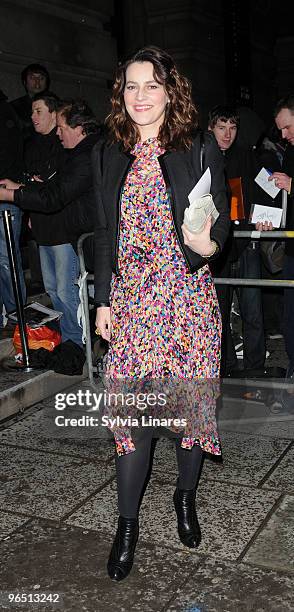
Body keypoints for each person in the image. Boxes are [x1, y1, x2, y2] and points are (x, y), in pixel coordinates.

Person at [93, 46, 230, 581]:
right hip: (132, 304)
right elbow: (106, 233)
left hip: (187, 302)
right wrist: (104, 300)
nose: (140, 96)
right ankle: (126, 526)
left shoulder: (195, 146)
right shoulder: (109, 152)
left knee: (189, 417)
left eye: (152, 85)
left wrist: (208, 244)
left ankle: (185, 498)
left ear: (171, 91)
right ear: (120, 94)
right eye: (131, 86)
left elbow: (221, 225)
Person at [0, 99, 101, 346]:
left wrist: (14, 194)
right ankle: (69, 340)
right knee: (55, 290)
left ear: (78, 127)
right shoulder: (43, 146)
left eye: (62, 127)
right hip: (47, 227)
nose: (58, 131)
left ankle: (76, 344)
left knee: (67, 291)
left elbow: (56, 193)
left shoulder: (83, 153)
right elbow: (49, 187)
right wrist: (23, 187)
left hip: (66, 230)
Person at [208, 105, 266, 374]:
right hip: (216, 247)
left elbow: (267, 190)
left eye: (232, 128)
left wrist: (267, 217)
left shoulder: (246, 156)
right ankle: (226, 366)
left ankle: (255, 369)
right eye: (222, 127)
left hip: (246, 244)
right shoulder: (202, 157)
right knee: (218, 312)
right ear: (211, 128)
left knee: (252, 310)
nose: (227, 134)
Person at [256, 94, 294, 375]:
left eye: (288, 127)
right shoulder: (290, 152)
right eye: (280, 129)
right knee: (289, 315)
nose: (284, 134)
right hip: (292, 246)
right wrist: (270, 219)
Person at [0, 88, 26, 329]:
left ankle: (16, 315)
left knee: (7, 259)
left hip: (5, 195)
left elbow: (10, 155)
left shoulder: (5, 112)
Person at [11, 63, 50, 141]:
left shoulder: (55, 105)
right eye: (32, 78)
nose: (37, 81)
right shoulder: (14, 107)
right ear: (25, 82)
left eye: (41, 78)